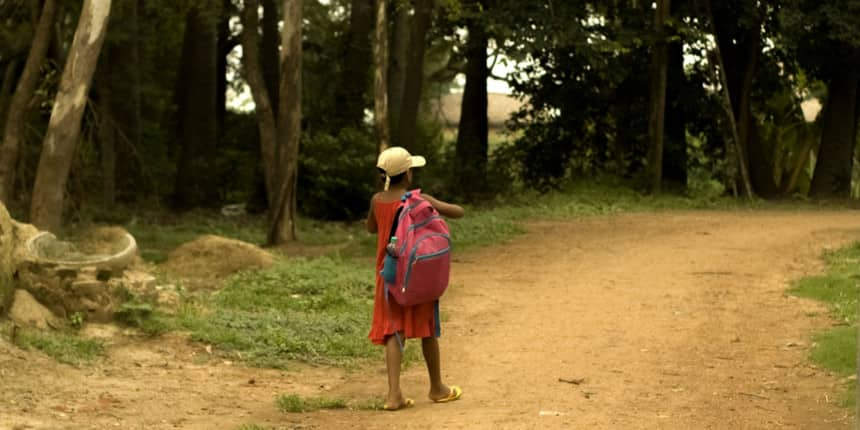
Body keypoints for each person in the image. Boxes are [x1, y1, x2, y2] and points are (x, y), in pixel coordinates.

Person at [366, 147, 465, 411]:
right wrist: (430, 206)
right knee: (428, 329)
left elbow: (371, 227)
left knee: (392, 331)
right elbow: (457, 212)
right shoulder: (418, 199)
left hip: (389, 275)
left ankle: (393, 394)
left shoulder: (377, 201)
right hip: (415, 272)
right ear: (408, 173)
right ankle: (437, 387)